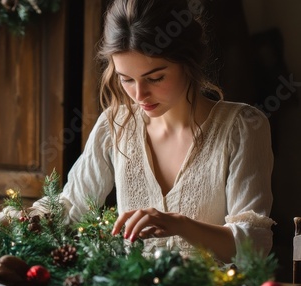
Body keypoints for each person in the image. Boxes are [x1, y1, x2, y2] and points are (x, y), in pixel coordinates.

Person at [31, 0, 275, 264]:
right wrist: (11, 219)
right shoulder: (114, 124)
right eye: (126, 79)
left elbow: (254, 245)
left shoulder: (243, 126)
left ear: (188, 61)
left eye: (155, 78)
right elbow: (70, 206)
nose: (139, 95)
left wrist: (180, 225)